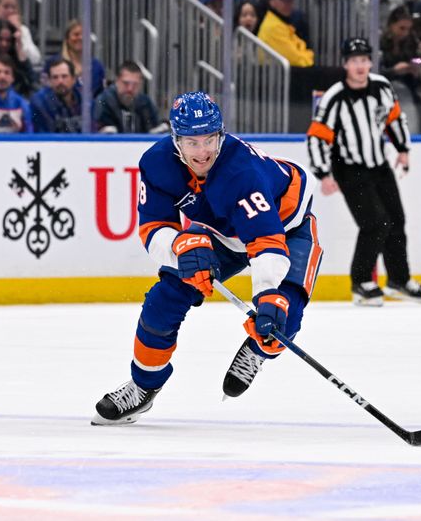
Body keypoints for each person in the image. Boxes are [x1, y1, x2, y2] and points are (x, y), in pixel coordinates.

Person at [91, 91, 321, 425]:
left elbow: (265, 240)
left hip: (288, 227)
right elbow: (152, 228)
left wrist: (268, 293)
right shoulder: (157, 164)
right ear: (175, 140)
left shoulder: (241, 171)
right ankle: (142, 388)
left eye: (210, 140)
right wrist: (180, 244)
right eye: (192, 142)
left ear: (220, 135)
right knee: (165, 298)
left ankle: (256, 351)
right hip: (224, 231)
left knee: (283, 315)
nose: (203, 152)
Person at [306, 37, 421, 306]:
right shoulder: (335, 97)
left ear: (370, 62)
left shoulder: (382, 87)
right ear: (345, 64)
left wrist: (403, 149)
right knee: (375, 223)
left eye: (364, 60)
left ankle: (398, 279)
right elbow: (316, 136)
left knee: (396, 219)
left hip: (379, 165)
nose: (360, 65)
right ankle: (361, 282)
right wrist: (323, 173)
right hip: (349, 169)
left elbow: (394, 118)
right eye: (354, 61)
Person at [379, 5, 421, 134]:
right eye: (401, 28)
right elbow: (374, 73)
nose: (405, 33)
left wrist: (415, 68)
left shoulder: (411, 42)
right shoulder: (379, 43)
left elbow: (417, 60)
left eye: (408, 29)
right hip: (383, 91)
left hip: (407, 90)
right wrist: (393, 71)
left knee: (411, 125)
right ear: (391, 25)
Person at [93, 61, 169, 134]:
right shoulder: (104, 101)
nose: (130, 89)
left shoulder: (145, 102)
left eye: (135, 84)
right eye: (126, 83)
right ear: (117, 81)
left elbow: (155, 127)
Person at [43, 19, 105, 98]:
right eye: (76, 34)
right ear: (67, 39)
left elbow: (101, 98)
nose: (80, 38)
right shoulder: (52, 63)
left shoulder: (97, 66)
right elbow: (45, 92)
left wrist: (100, 108)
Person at [257, 0, 313, 67]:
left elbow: (302, 48)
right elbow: (299, 61)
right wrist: (308, 54)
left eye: (291, 0)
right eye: (285, 0)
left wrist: (305, 53)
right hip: (275, 76)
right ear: (272, 1)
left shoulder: (280, 23)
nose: (290, 4)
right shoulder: (274, 27)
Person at [30, 58, 85, 133]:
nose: (60, 81)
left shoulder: (84, 99)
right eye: (55, 77)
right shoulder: (40, 102)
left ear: (74, 79)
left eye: (64, 76)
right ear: (49, 81)